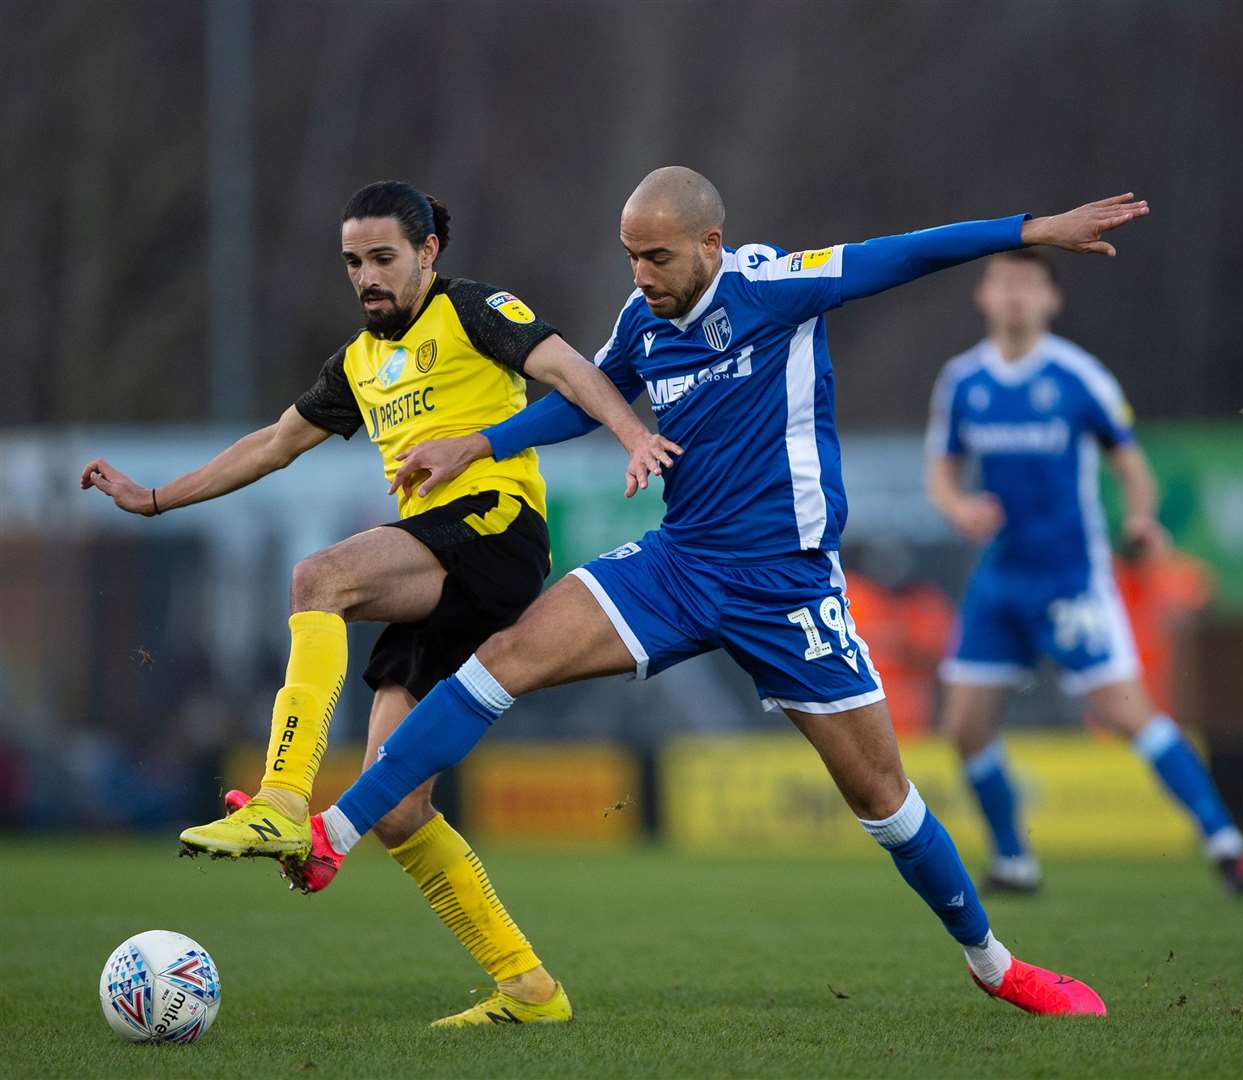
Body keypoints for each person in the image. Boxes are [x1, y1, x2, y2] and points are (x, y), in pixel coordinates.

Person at [287, 168, 1159, 1017]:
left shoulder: (772, 287)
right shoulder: (642, 316)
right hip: (679, 563)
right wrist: (481, 443)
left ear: (709, 243)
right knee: (501, 658)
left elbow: (904, 254)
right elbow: (587, 402)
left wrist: (1030, 229)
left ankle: (994, 965)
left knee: (881, 798)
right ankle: (338, 833)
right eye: (631, 256)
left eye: (657, 257)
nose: (641, 276)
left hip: (786, 584)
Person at [81, 180, 679, 1027]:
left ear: (428, 252)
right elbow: (274, 444)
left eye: (382, 258)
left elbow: (568, 370)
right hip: (436, 566)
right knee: (397, 809)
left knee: (318, 579)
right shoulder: (359, 361)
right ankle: (528, 990)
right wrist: (153, 499)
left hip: (492, 527)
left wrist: (632, 436)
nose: (366, 276)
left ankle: (283, 800)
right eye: (353, 262)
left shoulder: (472, 310)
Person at [924, 249, 1243, 895]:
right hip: (1000, 580)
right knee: (963, 727)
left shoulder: (1079, 378)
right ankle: (1014, 860)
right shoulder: (961, 380)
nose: (1014, 295)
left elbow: (1130, 464)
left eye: (1028, 285)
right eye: (1003, 283)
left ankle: (1223, 840)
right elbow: (940, 471)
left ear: (1051, 300)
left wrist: (1141, 519)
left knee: (1123, 711)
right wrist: (958, 507)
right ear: (983, 297)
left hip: (1070, 579)